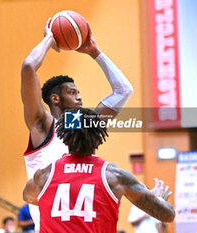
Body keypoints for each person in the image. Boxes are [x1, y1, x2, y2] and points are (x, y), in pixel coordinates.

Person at [21, 17, 133, 231]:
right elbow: (28, 67)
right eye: (73, 93)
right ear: (55, 99)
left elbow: (124, 91)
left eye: (79, 93)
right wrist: (49, 40)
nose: (80, 98)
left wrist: (94, 52)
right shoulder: (43, 125)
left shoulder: (83, 125)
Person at [23, 108, 175, 232]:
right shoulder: (115, 177)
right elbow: (167, 215)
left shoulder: (44, 175)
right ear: (99, 140)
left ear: (65, 139)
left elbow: (29, 198)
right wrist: (159, 198)